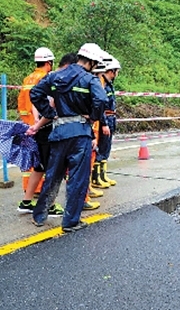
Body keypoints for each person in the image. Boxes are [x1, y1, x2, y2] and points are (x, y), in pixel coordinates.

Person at [29, 43, 108, 232]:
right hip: (80, 133)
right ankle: (70, 222)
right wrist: (94, 117)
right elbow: (102, 100)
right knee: (77, 179)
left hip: (58, 133)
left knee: (53, 176)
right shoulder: (90, 80)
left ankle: (39, 216)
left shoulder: (56, 76)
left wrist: (49, 112)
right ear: (92, 62)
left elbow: (35, 93)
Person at [16, 47, 63, 216]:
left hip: (29, 126)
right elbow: (44, 103)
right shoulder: (46, 78)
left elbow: (23, 104)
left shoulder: (28, 78)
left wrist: (29, 123)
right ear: (49, 63)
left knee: (37, 165)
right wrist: (39, 123)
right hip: (42, 126)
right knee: (49, 165)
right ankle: (48, 205)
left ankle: (27, 201)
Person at [95, 55, 120, 186]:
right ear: (111, 71)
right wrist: (104, 123)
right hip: (105, 119)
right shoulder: (101, 84)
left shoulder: (108, 85)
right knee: (101, 147)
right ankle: (96, 177)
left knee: (106, 148)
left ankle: (103, 175)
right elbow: (101, 106)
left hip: (110, 118)